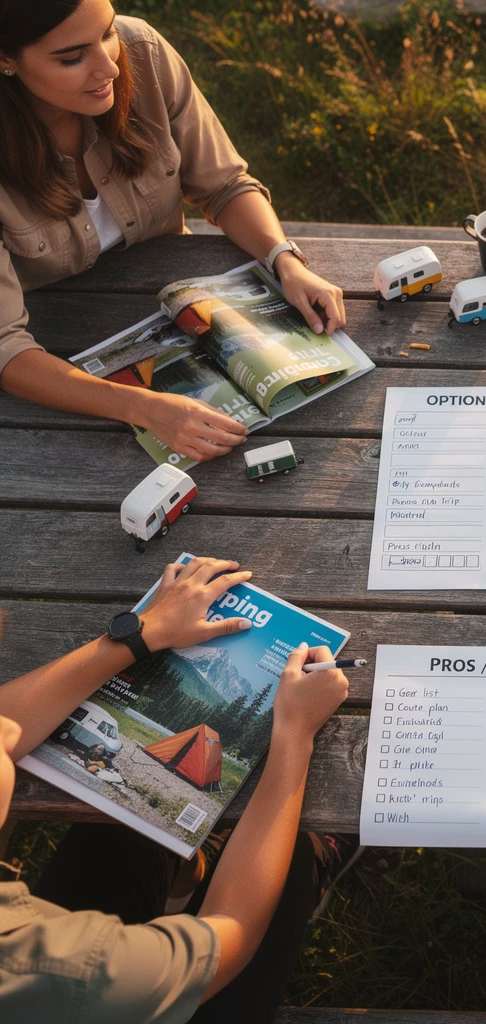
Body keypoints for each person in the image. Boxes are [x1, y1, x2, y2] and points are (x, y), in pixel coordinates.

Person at [0, 556, 355, 1023]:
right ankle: (314, 870)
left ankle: (184, 879)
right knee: (295, 861)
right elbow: (233, 930)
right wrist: (294, 732)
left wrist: (142, 632)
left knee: (121, 833)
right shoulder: (65, 968)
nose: (8, 733)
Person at [0, 1, 347, 464]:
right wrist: (141, 407)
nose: (110, 66)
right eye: (71, 58)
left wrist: (283, 258)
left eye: (107, 33)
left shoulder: (142, 51)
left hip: (175, 307)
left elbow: (224, 185)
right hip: (57, 369)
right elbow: (6, 348)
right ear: (6, 59)